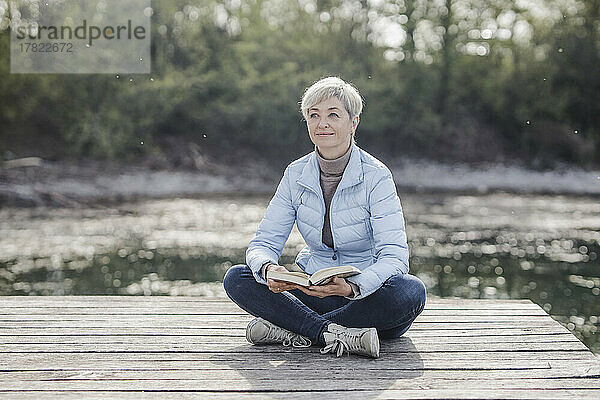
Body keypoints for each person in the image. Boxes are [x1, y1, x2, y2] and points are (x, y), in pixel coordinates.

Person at [224, 76, 426, 358]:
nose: (322, 124)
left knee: (411, 291)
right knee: (238, 277)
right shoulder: (295, 173)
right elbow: (263, 243)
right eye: (314, 115)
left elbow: (395, 257)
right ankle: (335, 334)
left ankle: (295, 329)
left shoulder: (377, 176)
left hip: (363, 298)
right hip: (312, 292)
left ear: (353, 122)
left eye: (333, 114)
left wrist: (354, 287)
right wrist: (269, 268)